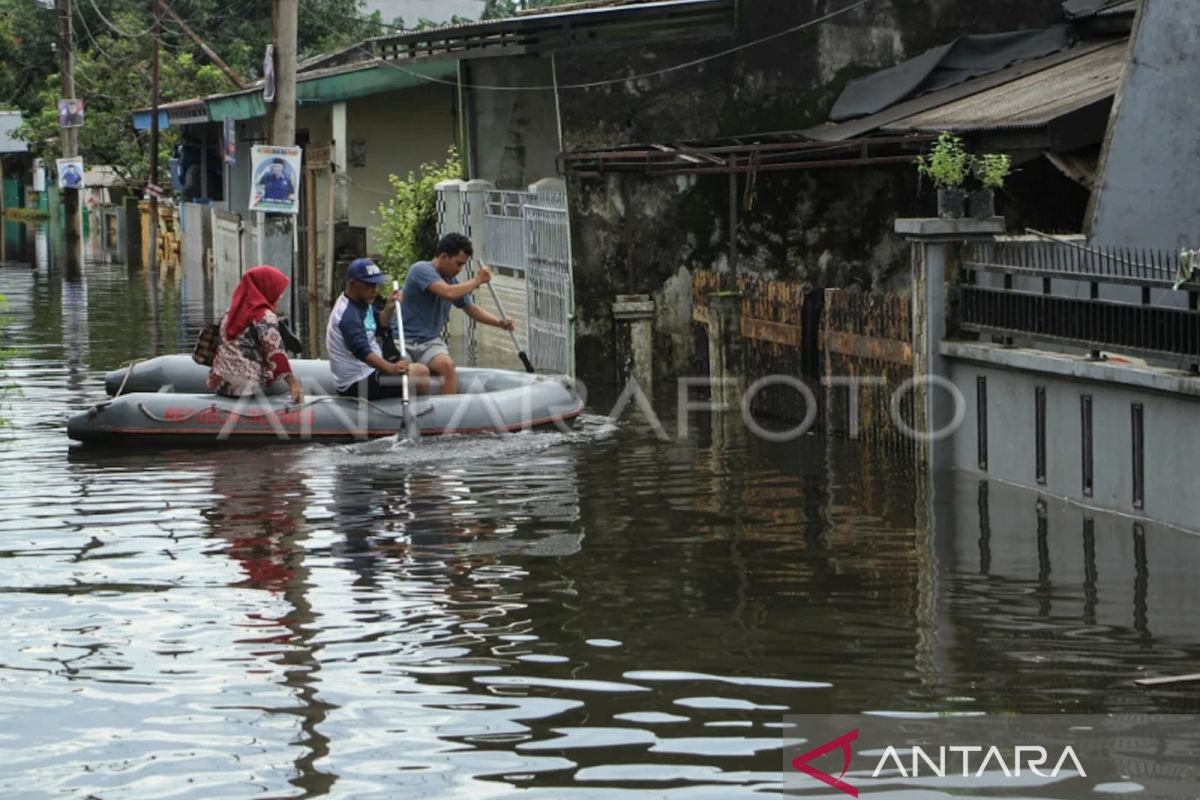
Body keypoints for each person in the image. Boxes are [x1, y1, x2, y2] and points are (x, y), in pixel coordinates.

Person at [401, 232, 513, 395]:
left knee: (447, 366)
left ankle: (447, 412)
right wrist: (477, 281)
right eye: (458, 264)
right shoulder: (420, 270)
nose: (459, 270)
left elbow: (471, 309)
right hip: (404, 340)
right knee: (411, 373)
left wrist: (500, 322)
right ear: (444, 256)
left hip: (430, 342)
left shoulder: (450, 280)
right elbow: (448, 293)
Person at [326, 257, 431, 400]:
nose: (375, 290)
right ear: (353, 284)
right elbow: (363, 352)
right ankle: (424, 416)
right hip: (357, 382)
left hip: (368, 372)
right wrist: (391, 368)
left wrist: (389, 307)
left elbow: (380, 323)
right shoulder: (348, 315)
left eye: (376, 285)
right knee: (420, 372)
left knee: (413, 369)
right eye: (370, 285)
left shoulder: (362, 302)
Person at [206, 265, 303, 404]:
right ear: (266, 289)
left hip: (221, 385)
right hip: (250, 389)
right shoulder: (265, 317)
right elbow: (276, 355)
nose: (280, 296)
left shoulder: (230, 313)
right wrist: (294, 384)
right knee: (286, 387)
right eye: (278, 291)